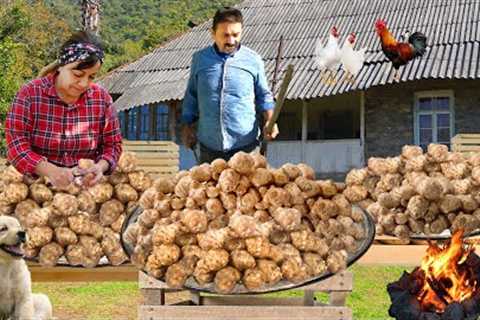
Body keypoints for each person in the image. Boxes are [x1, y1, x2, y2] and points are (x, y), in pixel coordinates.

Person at [5, 31, 122, 189]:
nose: (83, 83)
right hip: (35, 189)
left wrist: (100, 167)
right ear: (61, 67)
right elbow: (16, 146)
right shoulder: (29, 95)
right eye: (77, 74)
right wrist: (50, 171)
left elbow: (112, 145)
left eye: (91, 77)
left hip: (86, 190)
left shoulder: (102, 100)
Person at [181, 7, 279, 163]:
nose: (231, 41)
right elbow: (191, 96)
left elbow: (264, 95)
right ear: (213, 34)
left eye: (235, 34)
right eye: (225, 35)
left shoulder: (253, 60)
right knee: (209, 188)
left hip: (246, 146)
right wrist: (186, 127)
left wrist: (270, 120)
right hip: (209, 147)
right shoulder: (200, 60)